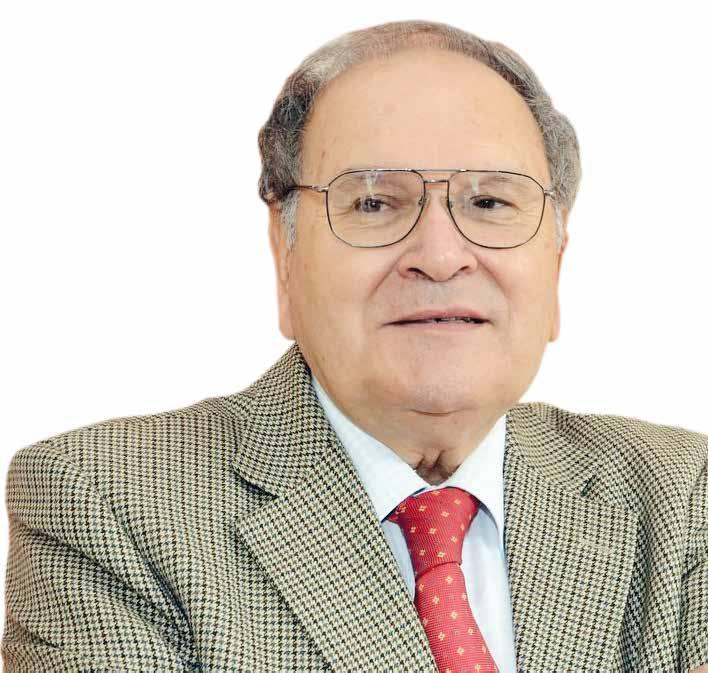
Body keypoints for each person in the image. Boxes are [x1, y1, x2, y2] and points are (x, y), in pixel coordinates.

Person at [2, 18, 706, 673]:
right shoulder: (105, 502)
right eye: (374, 203)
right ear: (284, 254)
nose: (440, 256)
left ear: (555, 260)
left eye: (490, 202)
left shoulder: (681, 494)